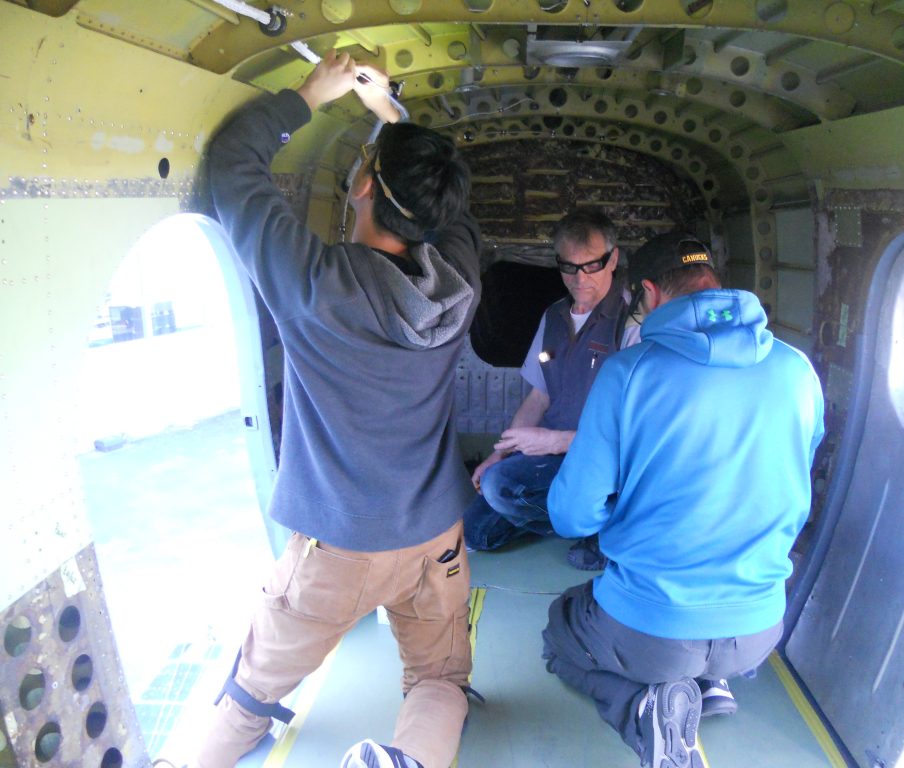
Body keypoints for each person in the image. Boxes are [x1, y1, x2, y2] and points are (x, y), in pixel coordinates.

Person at [196, 51, 481, 768]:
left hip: (338, 550)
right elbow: (448, 216)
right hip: (434, 538)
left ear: (360, 186)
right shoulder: (462, 281)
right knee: (441, 680)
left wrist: (308, 95)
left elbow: (234, 166)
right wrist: (392, 123)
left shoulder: (317, 284)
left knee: (253, 691)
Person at [540, 232, 824, 768]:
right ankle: (710, 685)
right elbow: (792, 475)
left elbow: (571, 514)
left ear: (648, 291)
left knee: (562, 628)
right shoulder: (797, 371)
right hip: (758, 629)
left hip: (653, 632)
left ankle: (642, 707)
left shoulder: (630, 373)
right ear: (714, 281)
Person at [463, 209, 636, 570]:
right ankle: (578, 520)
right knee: (476, 532)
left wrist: (556, 441)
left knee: (501, 489)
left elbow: (639, 431)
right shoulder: (555, 316)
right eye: (569, 267)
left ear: (613, 258)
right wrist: (503, 453)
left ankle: (607, 527)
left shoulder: (631, 320)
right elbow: (538, 398)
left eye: (592, 265)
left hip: (606, 465)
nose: (579, 278)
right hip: (553, 458)